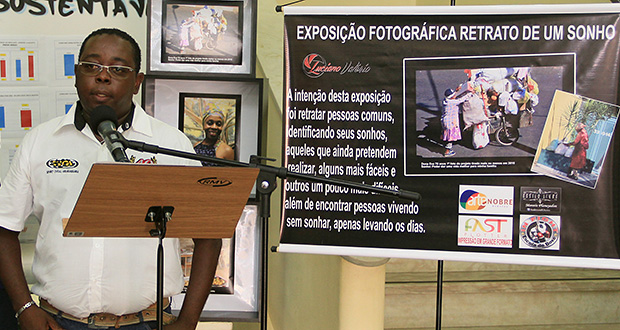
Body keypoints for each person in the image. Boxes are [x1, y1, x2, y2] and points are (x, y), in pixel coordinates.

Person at [0, 28, 221, 330]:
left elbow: (208, 236)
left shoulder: (171, 144)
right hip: (58, 323)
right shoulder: (40, 141)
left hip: (148, 322)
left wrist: (188, 320)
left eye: (118, 69)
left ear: (136, 83)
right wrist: (24, 307)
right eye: (92, 67)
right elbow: (4, 228)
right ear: (77, 74)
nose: (103, 77)